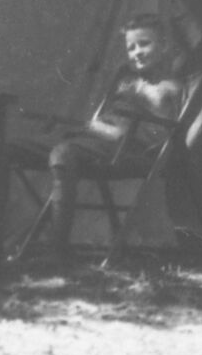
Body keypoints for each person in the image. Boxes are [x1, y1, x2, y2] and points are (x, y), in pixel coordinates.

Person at [45, 14, 194, 269]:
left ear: (164, 45)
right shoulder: (126, 82)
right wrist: (95, 128)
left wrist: (107, 131)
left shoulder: (171, 88)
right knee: (3, 150)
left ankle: (57, 252)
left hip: (127, 152)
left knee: (63, 154)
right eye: (131, 47)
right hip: (94, 144)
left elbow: (158, 140)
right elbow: (102, 122)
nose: (136, 53)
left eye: (144, 44)